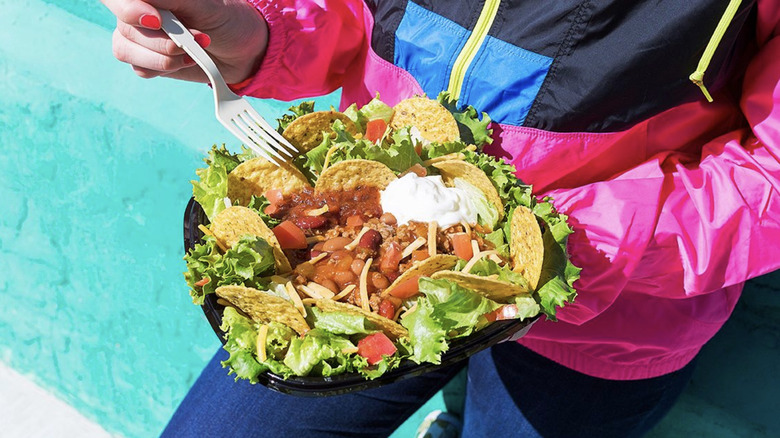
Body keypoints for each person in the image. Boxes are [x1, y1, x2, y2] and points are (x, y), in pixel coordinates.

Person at [101, 0, 780, 436]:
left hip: (610, 323)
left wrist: (540, 248)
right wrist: (262, 36)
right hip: (349, 266)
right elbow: (354, 15)